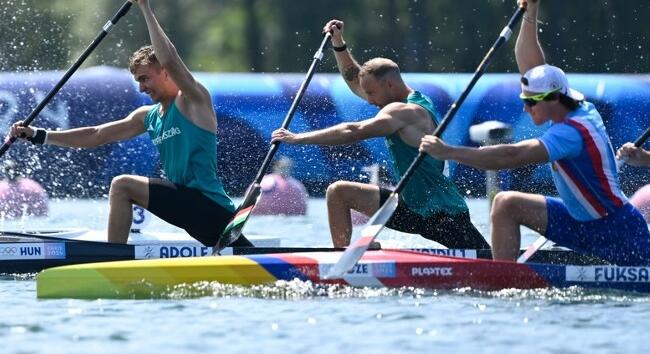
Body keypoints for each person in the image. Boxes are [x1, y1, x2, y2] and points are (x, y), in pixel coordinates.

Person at [419, 0, 650, 265]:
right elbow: (533, 69)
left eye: (530, 102)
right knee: (505, 203)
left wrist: (448, 151)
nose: (525, 109)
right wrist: (531, 12)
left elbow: (510, 156)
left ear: (551, 99)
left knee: (506, 200)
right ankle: (503, 279)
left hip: (617, 231)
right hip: (580, 222)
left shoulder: (572, 132)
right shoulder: (572, 104)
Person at [10, 0, 250, 247]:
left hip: (209, 206)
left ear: (166, 73)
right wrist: (40, 135)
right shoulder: (148, 116)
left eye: (145, 78)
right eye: (137, 80)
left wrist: (145, 7)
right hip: (191, 211)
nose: (141, 87)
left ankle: (112, 259)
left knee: (122, 186)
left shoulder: (192, 99)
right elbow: (96, 135)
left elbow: (170, 59)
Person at [272, 19, 489, 249]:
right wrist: (339, 44)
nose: (370, 100)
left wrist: (298, 138)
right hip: (409, 206)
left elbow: (352, 131)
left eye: (372, 94)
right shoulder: (400, 97)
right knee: (338, 192)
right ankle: (342, 261)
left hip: (442, 213)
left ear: (389, 85)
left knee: (490, 260)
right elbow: (356, 81)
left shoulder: (406, 111)